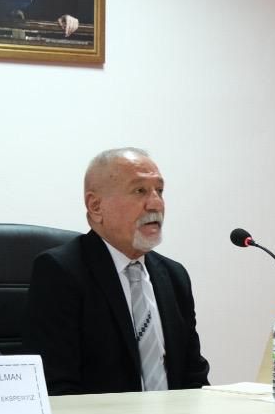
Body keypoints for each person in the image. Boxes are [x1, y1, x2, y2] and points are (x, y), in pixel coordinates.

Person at [25, 148, 210, 395]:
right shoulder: (61, 272)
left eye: (159, 190)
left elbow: (194, 377)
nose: (156, 203)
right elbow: (57, 386)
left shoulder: (174, 276)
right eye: (140, 191)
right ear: (96, 206)